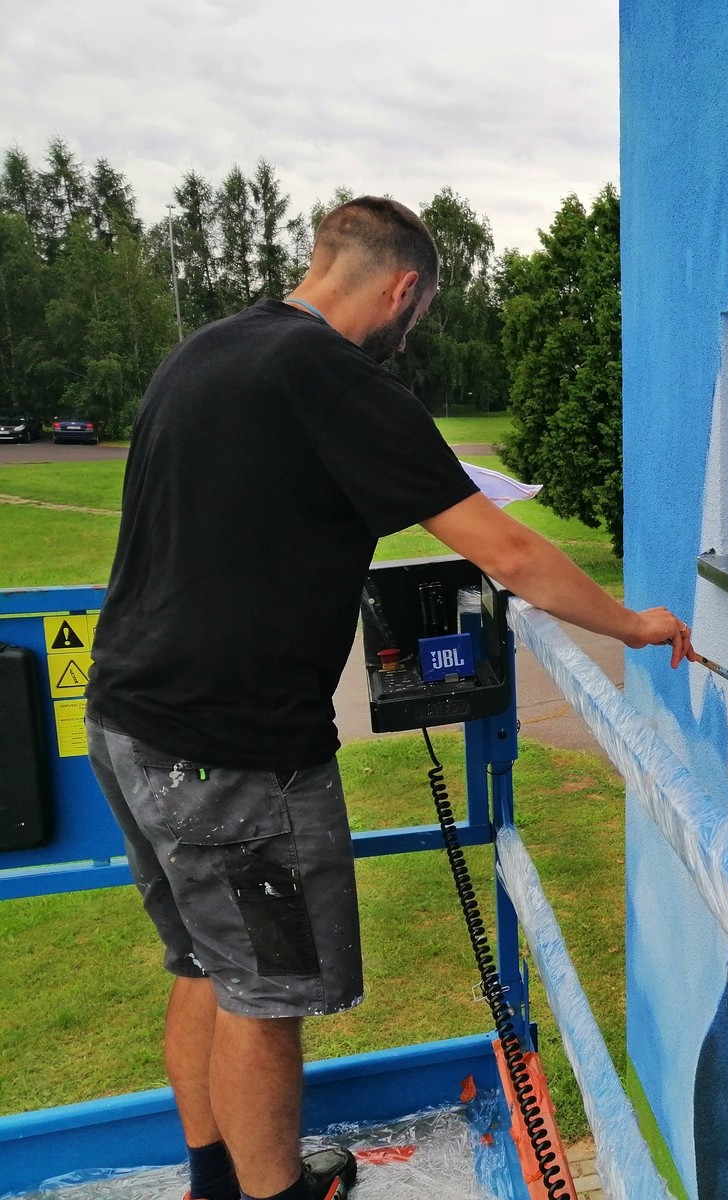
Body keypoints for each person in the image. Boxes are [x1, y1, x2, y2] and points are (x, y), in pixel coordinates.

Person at [84, 196, 692, 1200]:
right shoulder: (334, 377)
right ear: (404, 288)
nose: (409, 335)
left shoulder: (207, 352)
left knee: (204, 964)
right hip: (231, 752)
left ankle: (216, 1180)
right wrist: (632, 624)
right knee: (264, 997)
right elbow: (507, 553)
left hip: (128, 722)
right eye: (419, 313)